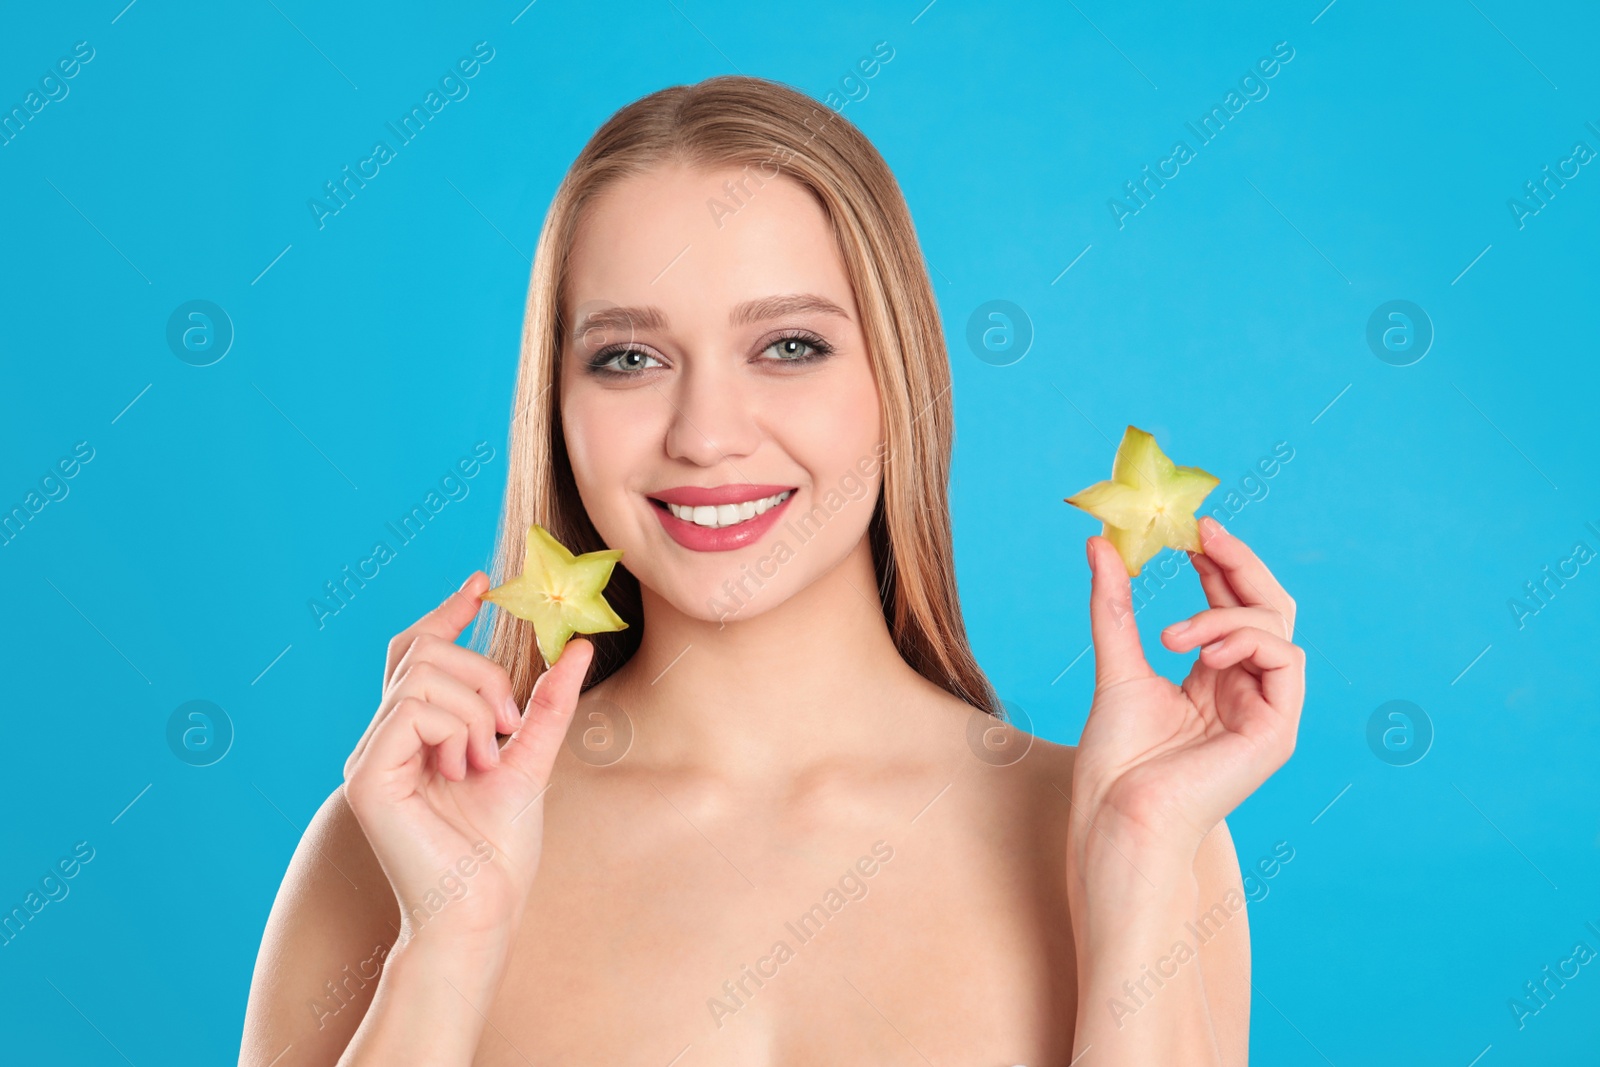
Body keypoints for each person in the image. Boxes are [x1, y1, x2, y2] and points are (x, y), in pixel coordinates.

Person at [239, 74, 1303, 1066]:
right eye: (628, 358)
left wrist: (1137, 855)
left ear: (899, 373)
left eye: (788, 345)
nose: (706, 435)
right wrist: (445, 942)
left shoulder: (1140, 826)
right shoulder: (397, 839)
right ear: (555, 412)